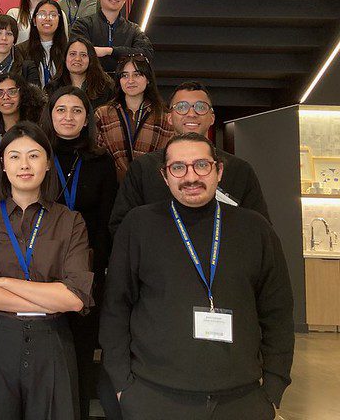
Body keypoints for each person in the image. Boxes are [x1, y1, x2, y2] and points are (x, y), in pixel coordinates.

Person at [100, 133, 294, 420]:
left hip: (242, 400)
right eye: (178, 167)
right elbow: (116, 307)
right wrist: (124, 387)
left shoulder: (255, 229)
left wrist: (273, 389)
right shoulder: (138, 225)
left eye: (201, 165)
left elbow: (277, 312)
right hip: (154, 397)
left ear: (219, 171)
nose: (190, 176)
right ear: (165, 176)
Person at [0, 121, 94, 419]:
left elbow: (75, 297)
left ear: (47, 164)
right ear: (3, 165)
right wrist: (46, 298)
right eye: (14, 156)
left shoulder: (70, 221)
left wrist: (2, 281)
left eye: (34, 155)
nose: (24, 164)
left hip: (52, 344)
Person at [39, 86, 118, 419]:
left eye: (76, 111)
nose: (68, 116)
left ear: (87, 119)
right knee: (43, 353)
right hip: (38, 270)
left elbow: (107, 220)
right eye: (60, 109)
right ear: (50, 114)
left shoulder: (101, 161)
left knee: (80, 355)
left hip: (84, 272)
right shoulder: (37, 155)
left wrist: (93, 270)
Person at [109, 82, 269, 234]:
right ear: (169, 118)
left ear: (212, 118)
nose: (191, 113)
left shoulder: (239, 170)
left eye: (200, 107)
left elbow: (259, 229)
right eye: (182, 107)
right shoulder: (143, 168)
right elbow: (122, 226)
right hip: (158, 259)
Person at [95, 55, 172, 181]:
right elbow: (96, 155)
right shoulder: (103, 114)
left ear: (148, 79)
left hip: (152, 186)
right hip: (112, 187)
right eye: (124, 75)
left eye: (137, 75)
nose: (130, 80)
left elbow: (170, 157)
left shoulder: (164, 116)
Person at [0, 72, 45, 201]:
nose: (5, 97)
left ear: (22, 95)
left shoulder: (37, 132)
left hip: (32, 205)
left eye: (12, 92)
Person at [71, 0, 153, 73]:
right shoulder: (83, 24)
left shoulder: (133, 29)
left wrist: (110, 51)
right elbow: (79, 52)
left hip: (124, 84)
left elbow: (146, 52)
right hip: (90, 84)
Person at [45, 37, 115, 108]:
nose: (77, 59)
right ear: (65, 58)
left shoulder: (105, 87)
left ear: (91, 59)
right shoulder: (52, 88)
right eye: (72, 54)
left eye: (83, 55)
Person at [16, 0, 68, 88]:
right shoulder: (21, 50)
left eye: (53, 15)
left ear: (60, 21)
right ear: (34, 21)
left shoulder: (68, 50)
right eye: (42, 15)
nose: (47, 19)